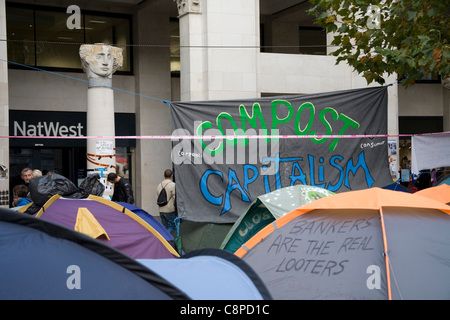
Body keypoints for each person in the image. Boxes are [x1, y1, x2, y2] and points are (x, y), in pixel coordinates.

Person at [157, 169, 176, 234]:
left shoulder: (159, 185)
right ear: (172, 176)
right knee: (172, 227)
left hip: (161, 209)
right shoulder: (173, 185)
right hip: (170, 209)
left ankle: (163, 240)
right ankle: (166, 240)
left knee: (165, 227)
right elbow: (175, 197)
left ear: (164, 175)